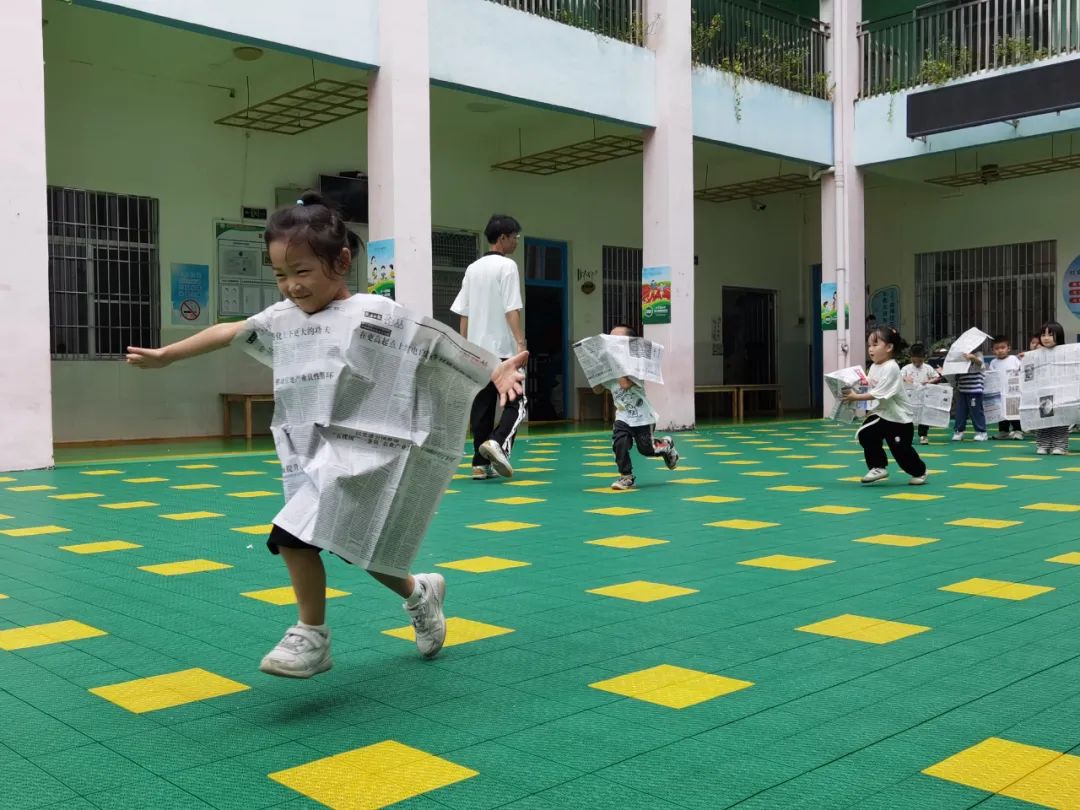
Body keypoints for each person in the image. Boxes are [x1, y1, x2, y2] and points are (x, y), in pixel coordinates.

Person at [126, 192, 527, 678]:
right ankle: (420, 593)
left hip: (371, 453)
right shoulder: (283, 318)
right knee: (356, 548)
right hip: (312, 452)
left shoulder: (377, 312)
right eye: (280, 274)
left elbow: (442, 348)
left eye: (301, 271)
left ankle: (311, 635)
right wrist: (167, 355)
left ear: (341, 262)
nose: (291, 286)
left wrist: (496, 371)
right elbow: (228, 331)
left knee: (292, 538)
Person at [452, 215, 527, 480]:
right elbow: (511, 308)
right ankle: (498, 442)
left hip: (477, 353)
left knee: (482, 407)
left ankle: (479, 464)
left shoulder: (472, 269)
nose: (516, 241)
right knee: (517, 403)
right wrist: (521, 343)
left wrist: (465, 347)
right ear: (502, 238)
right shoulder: (507, 266)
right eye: (515, 237)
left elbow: (464, 313)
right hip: (504, 351)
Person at [593, 324, 680, 490]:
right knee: (619, 444)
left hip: (643, 416)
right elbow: (597, 390)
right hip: (622, 416)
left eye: (617, 340)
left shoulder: (638, 364)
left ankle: (666, 445)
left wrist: (612, 362)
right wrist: (596, 373)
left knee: (646, 449)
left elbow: (625, 384)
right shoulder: (609, 365)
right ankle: (626, 477)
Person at [842, 326, 927, 485]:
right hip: (882, 414)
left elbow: (878, 393)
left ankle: (920, 471)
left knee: (901, 450)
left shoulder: (892, 367)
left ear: (889, 347)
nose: (870, 349)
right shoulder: (875, 366)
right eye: (869, 345)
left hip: (899, 419)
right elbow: (870, 385)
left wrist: (855, 397)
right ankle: (878, 467)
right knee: (866, 434)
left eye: (875, 345)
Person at [1032, 321, 1069, 455]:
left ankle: (1059, 446)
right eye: (1043, 335)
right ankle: (1044, 445)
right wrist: (1026, 358)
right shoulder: (1036, 354)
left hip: (1061, 393)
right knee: (1043, 419)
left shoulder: (1067, 352)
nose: (1046, 338)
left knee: (1060, 420)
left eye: (1050, 334)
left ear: (1059, 336)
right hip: (1043, 392)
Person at [901, 343, 942, 445]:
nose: (917, 363)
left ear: (924, 358)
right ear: (911, 358)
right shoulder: (906, 368)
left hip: (923, 396)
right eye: (914, 361)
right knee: (908, 416)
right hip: (909, 397)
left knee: (924, 417)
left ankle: (923, 435)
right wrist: (905, 378)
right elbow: (899, 377)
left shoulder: (927, 368)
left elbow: (937, 377)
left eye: (919, 361)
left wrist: (929, 381)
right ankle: (907, 436)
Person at [989, 335, 1023, 440]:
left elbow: (1022, 369)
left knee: (1014, 411)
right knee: (1001, 412)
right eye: (997, 348)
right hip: (999, 392)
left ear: (1009, 348)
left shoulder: (1014, 359)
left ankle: (1018, 430)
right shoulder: (993, 362)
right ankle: (1003, 431)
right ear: (993, 350)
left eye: (1002, 347)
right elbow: (991, 376)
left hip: (1013, 392)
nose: (1000, 350)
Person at [951, 344, 987, 442]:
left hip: (975, 390)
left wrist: (973, 358)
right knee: (960, 412)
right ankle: (959, 431)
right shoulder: (960, 356)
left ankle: (981, 432)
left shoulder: (978, 354)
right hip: (962, 389)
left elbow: (981, 364)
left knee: (976, 412)